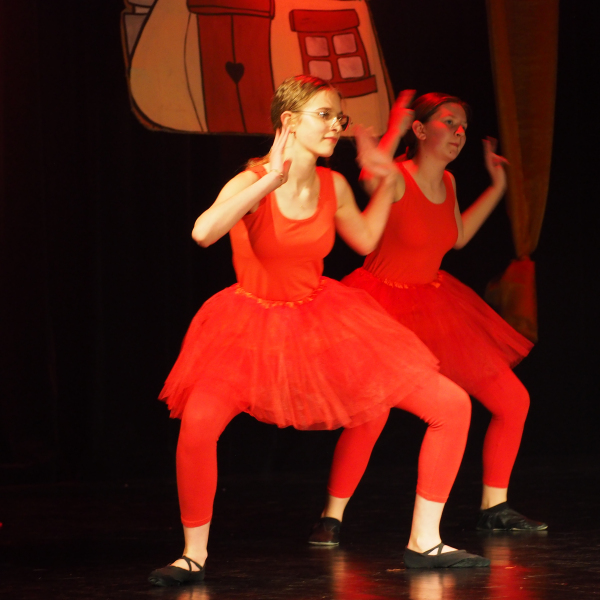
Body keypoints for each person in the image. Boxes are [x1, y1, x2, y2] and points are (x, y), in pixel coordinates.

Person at [148, 78, 488, 587]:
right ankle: (192, 555)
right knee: (198, 425)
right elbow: (203, 233)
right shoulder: (250, 181)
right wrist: (270, 180)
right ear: (288, 121)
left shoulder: (334, 185)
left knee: (452, 406)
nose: (336, 126)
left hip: (321, 320)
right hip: (250, 327)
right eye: (324, 115)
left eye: (338, 118)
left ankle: (425, 541)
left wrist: (388, 180)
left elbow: (367, 239)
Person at [308, 92, 546, 551]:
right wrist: (390, 132)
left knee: (514, 401)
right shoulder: (396, 177)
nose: (459, 132)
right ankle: (331, 516)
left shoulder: (450, 182)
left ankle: (494, 507)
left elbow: (457, 237)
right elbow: (371, 176)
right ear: (420, 129)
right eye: (448, 122)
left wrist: (497, 187)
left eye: (463, 126)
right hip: (382, 307)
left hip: (437, 307)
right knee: (371, 414)